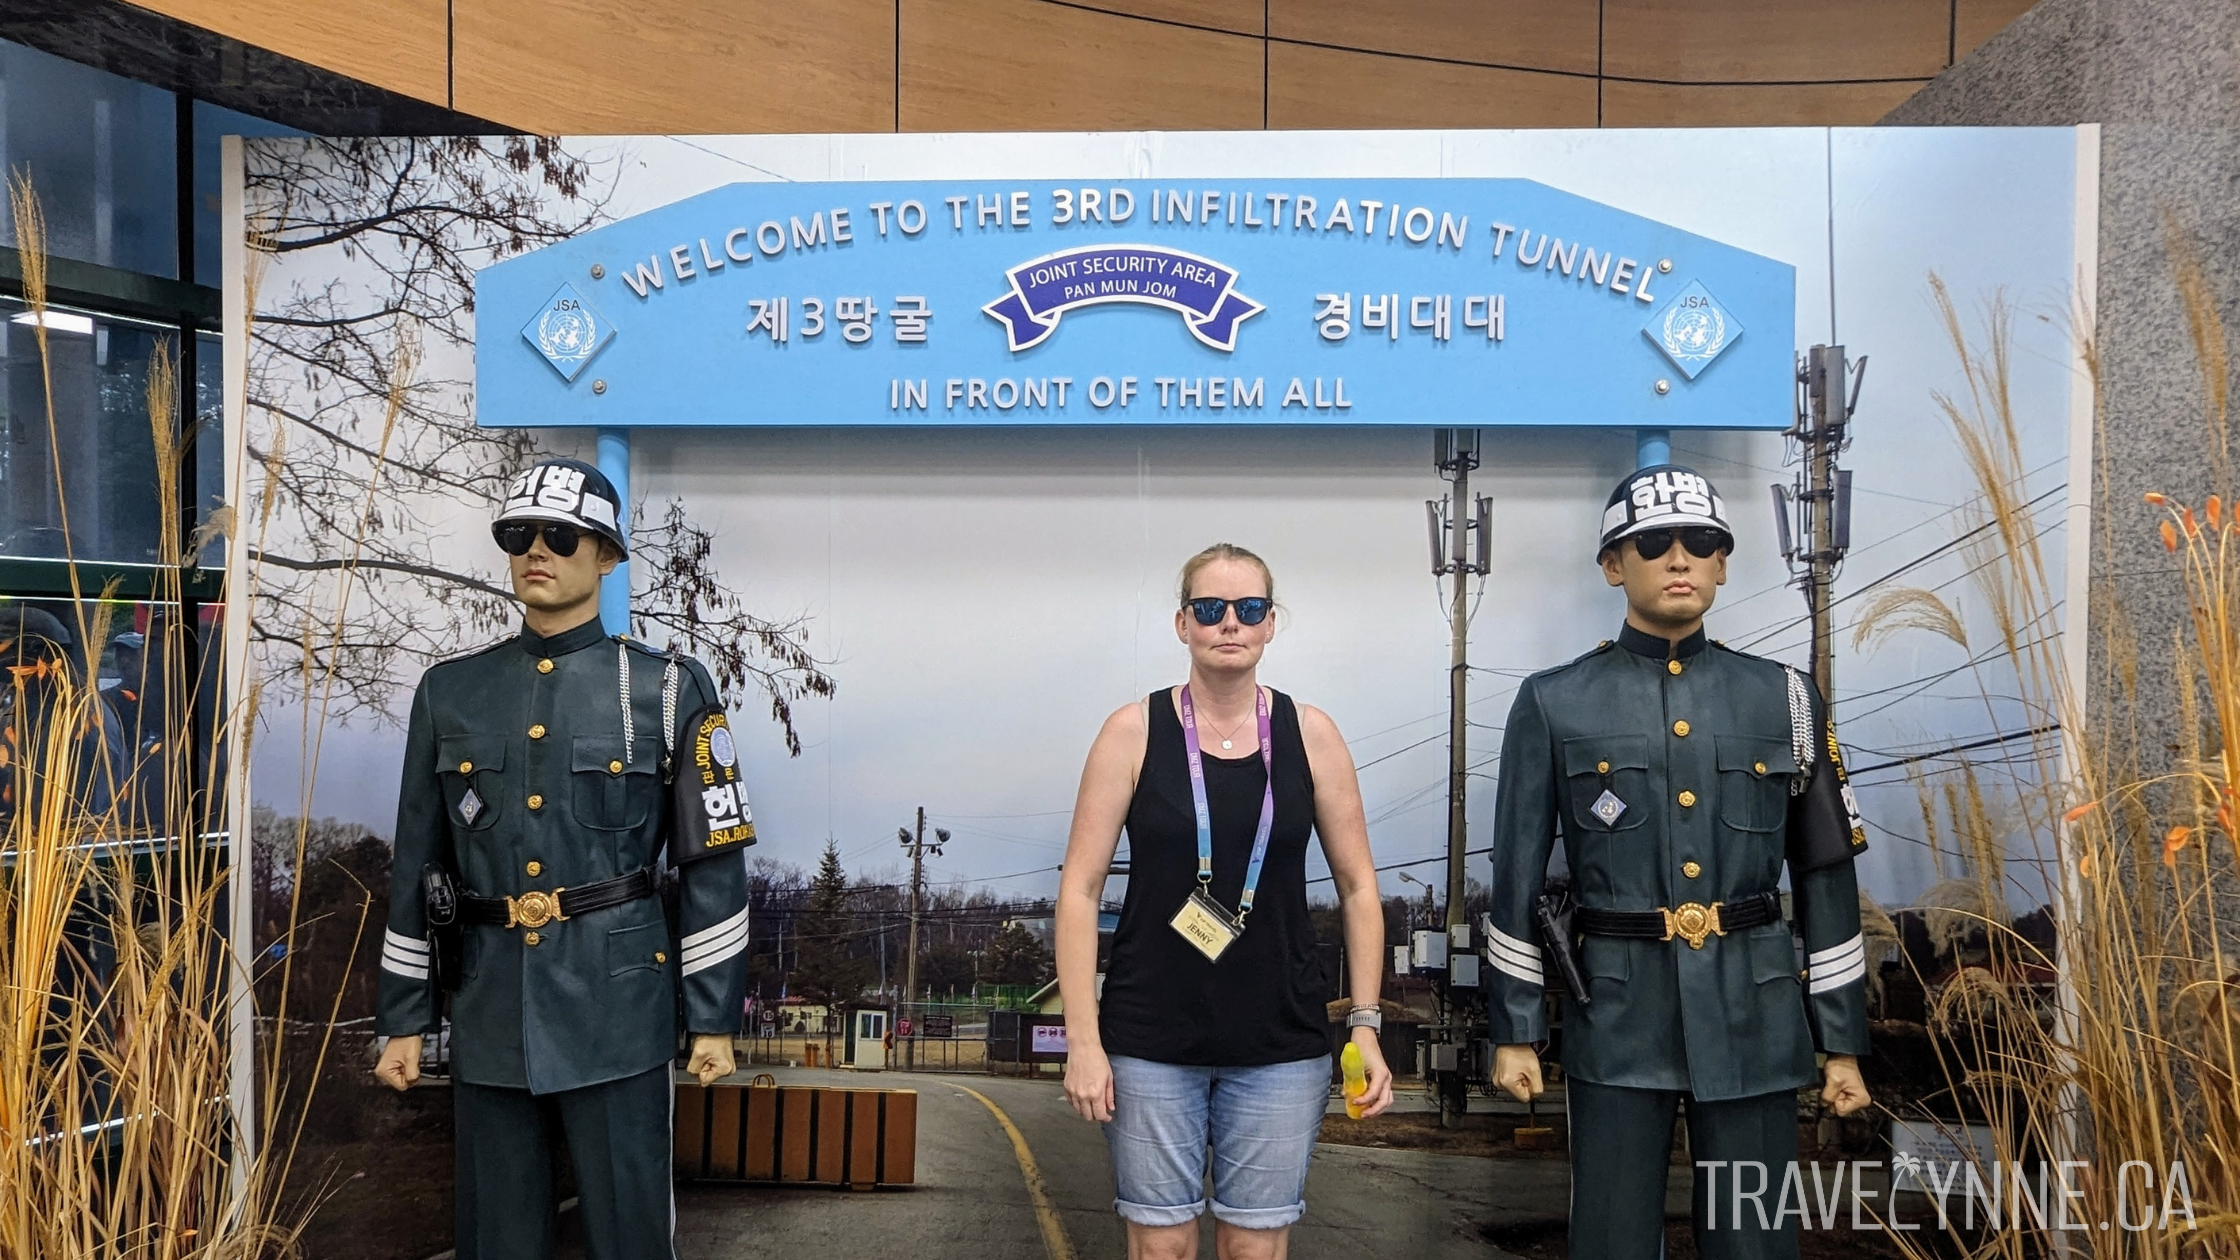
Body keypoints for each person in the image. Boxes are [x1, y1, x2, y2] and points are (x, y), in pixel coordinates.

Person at [372, 458, 758, 1260]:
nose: (535, 550)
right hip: (491, 1003)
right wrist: (405, 1019)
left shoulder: (667, 690)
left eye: (560, 536)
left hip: (618, 1004)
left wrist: (712, 1015)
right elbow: (419, 860)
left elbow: (714, 863)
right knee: (497, 1239)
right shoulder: (451, 693)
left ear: (608, 556)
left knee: (630, 1233)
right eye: (518, 534)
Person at [1485, 465, 1872, 1260]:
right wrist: (1516, 1029)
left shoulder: (1786, 699)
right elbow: (1517, 879)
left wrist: (1843, 1041)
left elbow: (1826, 874)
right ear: (1612, 565)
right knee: (1613, 1241)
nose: (1679, 558)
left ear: (1724, 563)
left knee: (1754, 1244)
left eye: (1701, 542)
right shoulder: (1556, 703)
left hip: (1755, 1017)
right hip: (1620, 1016)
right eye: (1651, 542)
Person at [1057, 542, 1394, 1260]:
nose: (1229, 624)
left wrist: (1365, 1025)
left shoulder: (1314, 736)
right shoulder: (1131, 732)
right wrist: (1084, 1042)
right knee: (1162, 1247)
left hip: (1279, 1041)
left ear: (1272, 624)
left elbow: (1361, 888)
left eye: (1248, 609)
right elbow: (1080, 891)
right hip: (1150, 1041)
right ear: (1183, 624)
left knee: (1253, 1248)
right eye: (1210, 610)